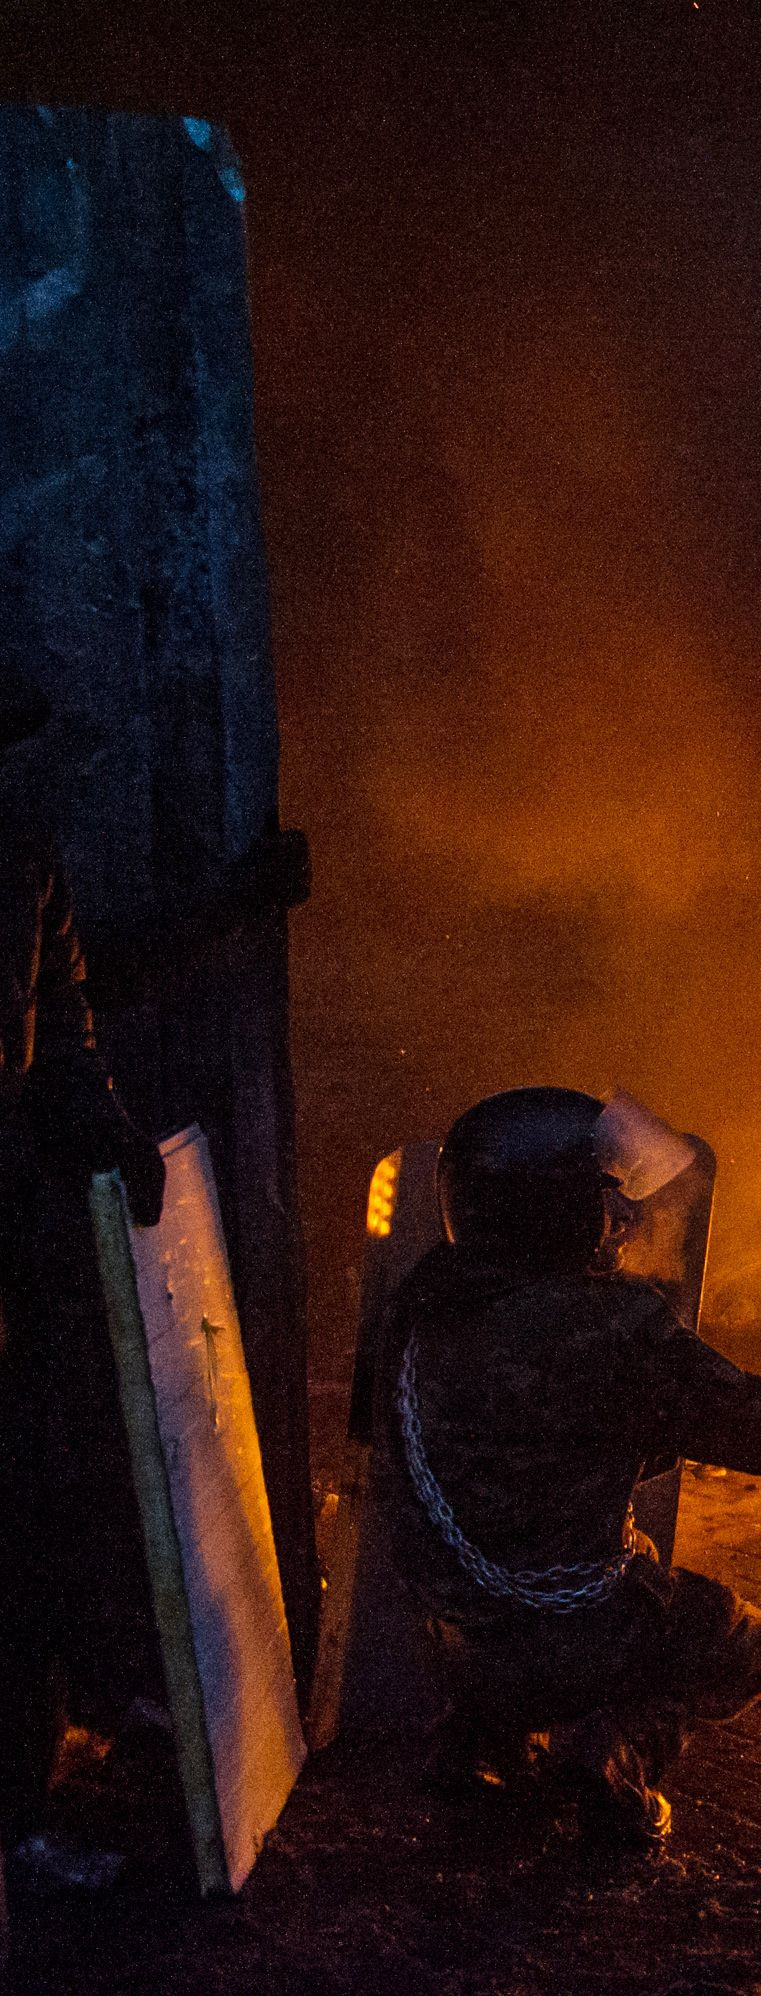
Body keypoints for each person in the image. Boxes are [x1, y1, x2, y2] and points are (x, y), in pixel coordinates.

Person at [367, 1084, 761, 1844]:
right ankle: (612, 1760)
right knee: (742, 1640)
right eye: (602, 1198)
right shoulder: (610, 1329)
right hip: (556, 1640)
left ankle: (482, 1744)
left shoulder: (423, 1295)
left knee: (596, 1571)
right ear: (549, 1209)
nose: (623, 1220)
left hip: (445, 1635)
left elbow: (495, 1435)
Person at [0, 662, 168, 1855]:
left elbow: (62, 1026)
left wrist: (105, 1125)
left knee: (23, 1520)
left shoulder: (18, 851)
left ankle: (13, 1819)